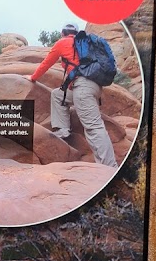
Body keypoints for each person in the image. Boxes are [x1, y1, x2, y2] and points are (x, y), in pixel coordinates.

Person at [27, 23, 117, 168]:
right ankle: (62, 129)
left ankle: (109, 167)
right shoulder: (84, 43)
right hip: (92, 86)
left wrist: (32, 78)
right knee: (57, 95)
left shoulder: (63, 42)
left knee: (94, 128)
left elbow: (46, 63)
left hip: (83, 88)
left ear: (63, 33)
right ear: (76, 32)